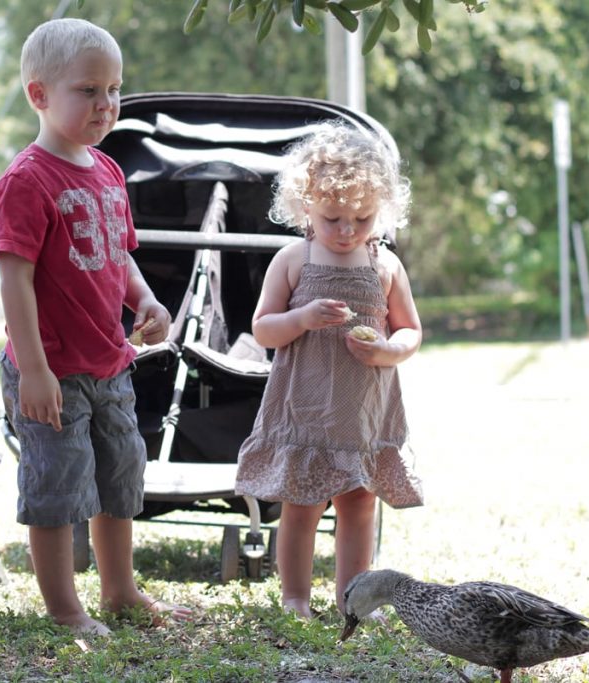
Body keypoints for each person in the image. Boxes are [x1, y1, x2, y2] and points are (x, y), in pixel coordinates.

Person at [0, 18, 191, 636]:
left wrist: (148, 301)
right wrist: (34, 369)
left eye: (114, 89)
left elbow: (118, 252)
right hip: (51, 368)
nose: (106, 104)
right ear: (39, 95)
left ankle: (119, 590)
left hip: (109, 362)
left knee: (118, 479)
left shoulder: (107, 171)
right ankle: (64, 608)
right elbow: (15, 279)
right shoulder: (26, 181)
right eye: (88, 90)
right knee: (56, 489)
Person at [235, 121, 424, 619]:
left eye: (361, 219)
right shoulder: (293, 260)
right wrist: (300, 318)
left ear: (381, 212)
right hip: (307, 408)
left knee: (359, 505)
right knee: (301, 506)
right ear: (305, 209)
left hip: (362, 413)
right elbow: (263, 330)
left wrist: (387, 350)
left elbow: (411, 331)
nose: (346, 230)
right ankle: (295, 597)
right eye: (332, 217)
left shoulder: (385, 267)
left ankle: (354, 600)